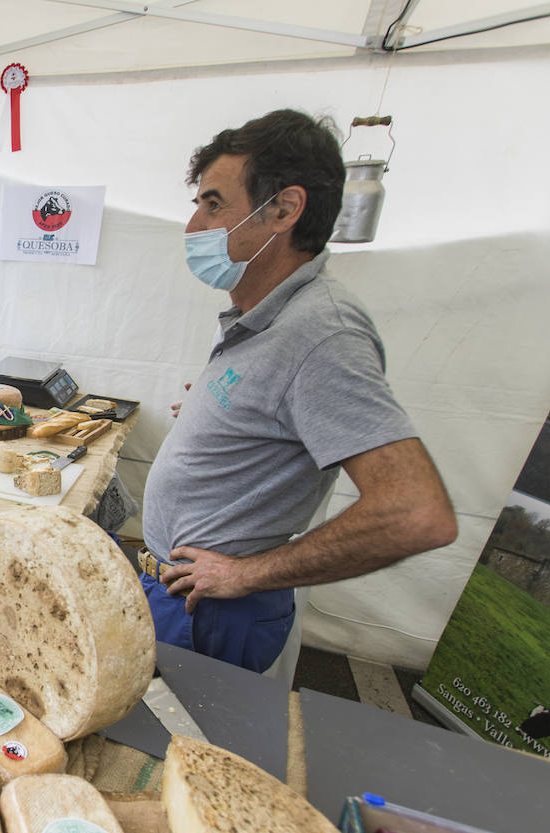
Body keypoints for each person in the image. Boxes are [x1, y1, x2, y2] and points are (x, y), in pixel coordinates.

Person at [139, 109, 458, 673]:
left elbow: (415, 512)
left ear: (283, 209)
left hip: (208, 610)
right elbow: (277, 416)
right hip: (181, 595)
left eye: (213, 204)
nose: (194, 228)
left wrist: (247, 573)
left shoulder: (321, 334)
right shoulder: (271, 317)